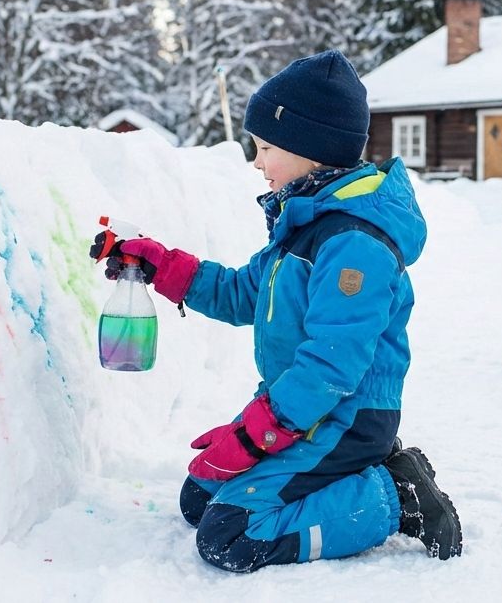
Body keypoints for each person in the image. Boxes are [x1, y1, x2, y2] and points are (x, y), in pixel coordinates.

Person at [90, 50, 462, 570]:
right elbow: (245, 293)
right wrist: (160, 265)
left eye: (266, 147)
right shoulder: (304, 222)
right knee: (198, 500)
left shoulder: (354, 244)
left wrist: (248, 438)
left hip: (345, 418)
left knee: (231, 536)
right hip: (300, 412)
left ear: (314, 149)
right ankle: (341, 479)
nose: (258, 162)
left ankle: (391, 494)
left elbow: (330, 366)